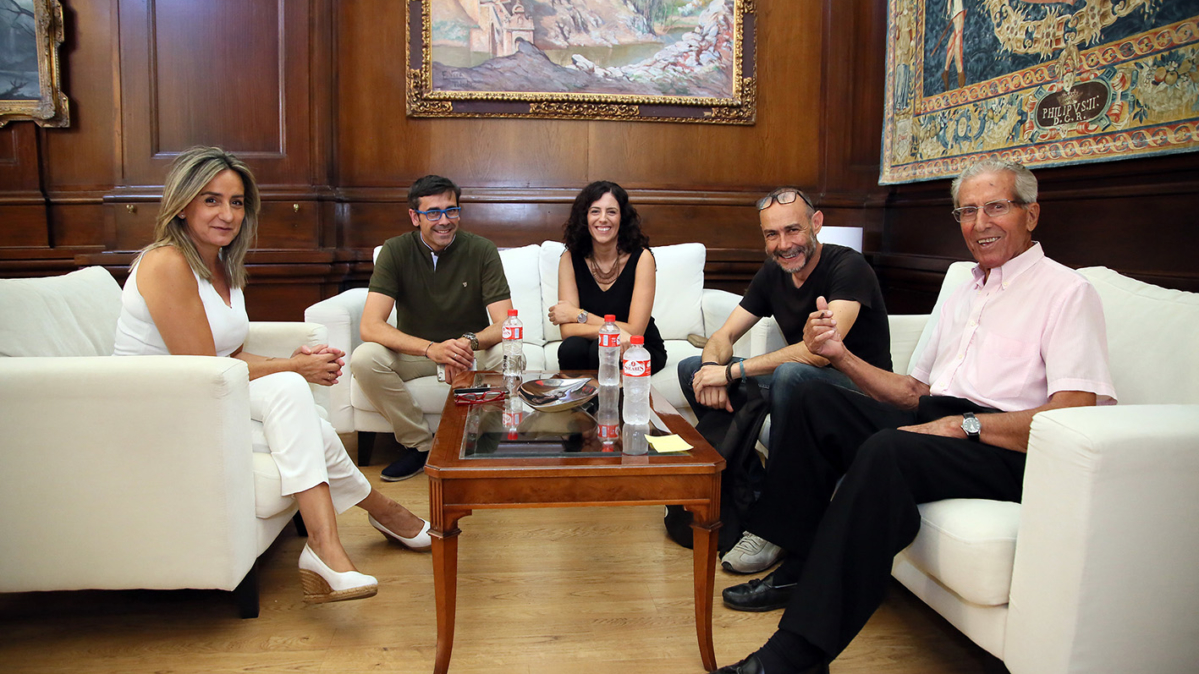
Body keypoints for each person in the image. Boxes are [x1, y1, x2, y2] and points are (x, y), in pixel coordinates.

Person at [712, 159, 1117, 674]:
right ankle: (797, 563)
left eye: (996, 207)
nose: (980, 222)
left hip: (1007, 445)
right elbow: (914, 393)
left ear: (1031, 214)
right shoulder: (964, 288)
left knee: (888, 449)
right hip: (943, 423)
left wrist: (964, 425)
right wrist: (840, 356)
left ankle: (796, 656)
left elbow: (1075, 414)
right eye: (967, 211)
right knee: (815, 400)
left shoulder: (1067, 292)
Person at [113, 146, 431, 605]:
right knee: (297, 403)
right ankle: (377, 511)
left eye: (237, 202)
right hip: (155, 406)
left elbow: (231, 352)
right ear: (182, 204)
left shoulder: (219, 262)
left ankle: (327, 547)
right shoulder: (166, 262)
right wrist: (292, 366)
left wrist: (289, 361)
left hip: (204, 393)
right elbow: (205, 365)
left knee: (291, 400)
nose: (227, 214)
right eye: (211, 200)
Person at [677, 187, 891, 574]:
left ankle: (777, 527)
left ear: (816, 224)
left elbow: (819, 352)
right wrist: (711, 369)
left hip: (863, 398)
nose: (784, 244)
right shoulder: (773, 273)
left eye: (792, 230)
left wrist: (731, 372)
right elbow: (723, 337)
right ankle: (755, 493)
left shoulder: (848, 266)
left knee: (794, 375)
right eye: (771, 235)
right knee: (691, 368)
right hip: (804, 386)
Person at [351, 175, 514, 482]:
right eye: (433, 212)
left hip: (468, 353)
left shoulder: (482, 250)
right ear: (415, 216)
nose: (444, 221)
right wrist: (431, 349)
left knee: (509, 355)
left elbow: (506, 323)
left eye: (451, 211)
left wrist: (467, 342)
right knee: (365, 358)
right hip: (417, 353)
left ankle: (483, 444)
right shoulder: (395, 250)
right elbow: (370, 325)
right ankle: (420, 447)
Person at [548, 181, 666, 374]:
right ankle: (576, 403)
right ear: (585, 217)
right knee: (572, 348)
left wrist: (578, 315)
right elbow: (567, 331)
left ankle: (609, 405)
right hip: (595, 343)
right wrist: (614, 332)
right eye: (595, 211)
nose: (603, 219)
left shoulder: (642, 258)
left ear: (622, 218)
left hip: (638, 348)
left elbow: (635, 331)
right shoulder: (570, 258)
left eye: (611, 212)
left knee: (602, 349)